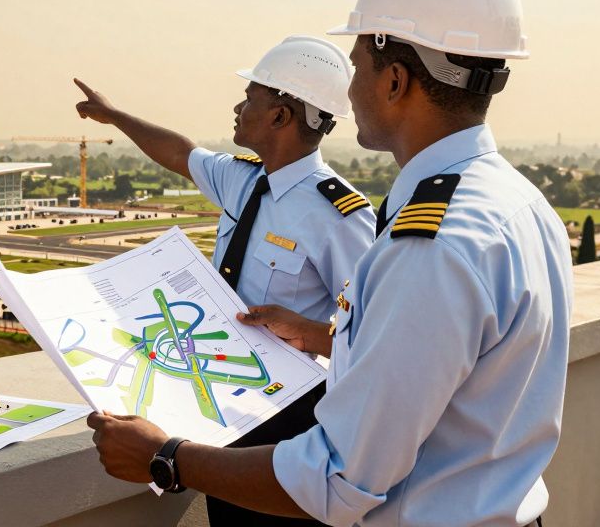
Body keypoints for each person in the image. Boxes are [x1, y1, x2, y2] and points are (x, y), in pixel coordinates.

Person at [87, 0, 573, 527]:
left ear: (394, 81)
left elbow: (339, 480)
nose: (350, 89)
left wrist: (166, 458)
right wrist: (325, 336)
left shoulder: (432, 244)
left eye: (359, 66)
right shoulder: (518, 203)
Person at [75, 34, 376, 526]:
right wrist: (116, 117)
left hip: (289, 419)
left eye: (252, 97)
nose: (238, 106)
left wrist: (304, 328)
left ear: (281, 116)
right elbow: (180, 153)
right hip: (221, 405)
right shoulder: (242, 177)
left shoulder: (338, 215)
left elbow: (373, 334)